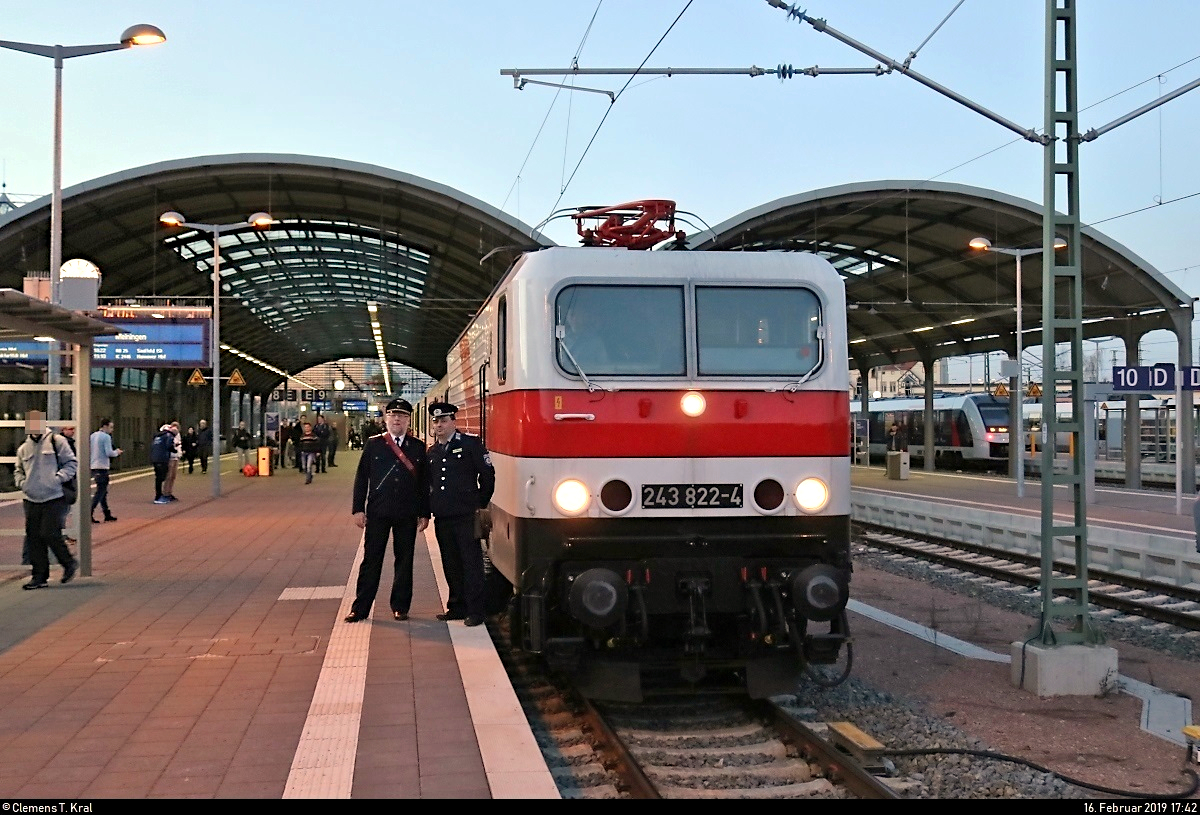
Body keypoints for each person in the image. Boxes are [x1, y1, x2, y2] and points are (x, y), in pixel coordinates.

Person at [347, 398, 430, 623]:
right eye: (393, 415)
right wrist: (358, 509)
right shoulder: (373, 444)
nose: (397, 420)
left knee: (404, 560)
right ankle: (360, 607)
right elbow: (361, 477)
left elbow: (423, 483)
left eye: (402, 416)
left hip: (406, 512)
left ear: (408, 420)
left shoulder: (417, 447)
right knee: (371, 560)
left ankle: (400, 606)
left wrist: (424, 513)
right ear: (386, 419)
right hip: (378, 511)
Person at [426, 401, 496, 627]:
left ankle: (476, 610)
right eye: (436, 421)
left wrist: (478, 503)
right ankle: (456, 606)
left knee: (471, 563)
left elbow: (487, 476)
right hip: (443, 516)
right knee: (450, 563)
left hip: (465, 515)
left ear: (453, 422)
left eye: (444, 420)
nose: (439, 425)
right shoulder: (433, 452)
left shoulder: (470, 444)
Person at [15, 411, 78, 589]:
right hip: (31, 498)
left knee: (49, 533)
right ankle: (39, 577)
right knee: (34, 538)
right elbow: (18, 470)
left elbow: (71, 463)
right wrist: (22, 484)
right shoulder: (23, 448)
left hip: (54, 497)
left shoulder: (57, 441)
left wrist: (57, 479)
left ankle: (69, 563)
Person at [90, 418, 122, 523]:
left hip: (93, 465)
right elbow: (109, 452)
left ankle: (107, 513)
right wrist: (117, 452)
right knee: (101, 491)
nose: (112, 430)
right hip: (102, 466)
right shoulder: (106, 437)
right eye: (111, 427)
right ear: (105, 426)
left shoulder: (92, 436)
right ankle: (89, 512)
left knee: (102, 491)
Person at [150, 424, 174, 504]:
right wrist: (174, 448)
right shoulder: (168, 436)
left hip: (155, 458)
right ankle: (159, 496)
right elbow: (169, 446)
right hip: (162, 459)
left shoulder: (157, 437)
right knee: (162, 477)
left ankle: (158, 495)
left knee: (158, 477)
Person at [162, 421, 182, 501]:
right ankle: (165, 492)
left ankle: (169, 492)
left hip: (176, 456)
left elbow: (179, 445)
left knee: (173, 476)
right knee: (169, 476)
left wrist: (179, 454)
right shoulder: (167, 434)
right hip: (170, 457)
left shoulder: (178, 435)